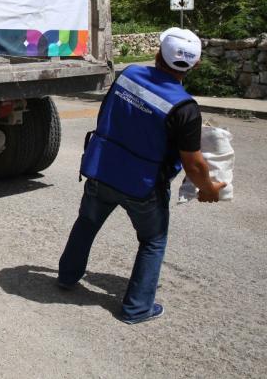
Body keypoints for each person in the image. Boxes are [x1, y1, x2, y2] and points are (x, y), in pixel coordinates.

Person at [58, 27, 227, 324]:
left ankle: (67, 277)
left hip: (101, 168)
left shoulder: (129, 75)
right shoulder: (185, 108)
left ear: (157, 54)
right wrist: (209, 189)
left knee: (87, 222)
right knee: (153, 241)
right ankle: (136, 309)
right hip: (143, 186)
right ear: (195, 66)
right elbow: (195, 165)